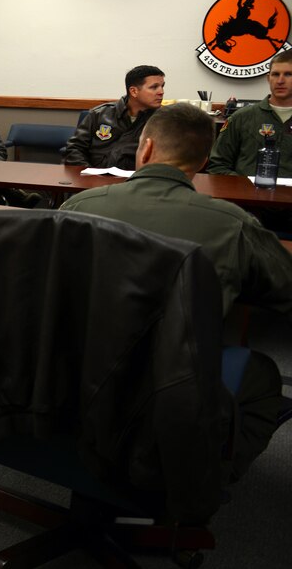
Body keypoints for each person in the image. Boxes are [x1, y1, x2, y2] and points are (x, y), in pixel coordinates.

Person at [60, 102, 286, 481]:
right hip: (169, 387)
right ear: (203, 162)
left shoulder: (78, 204)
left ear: (144, 149)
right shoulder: (234, 223)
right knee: (263, 374)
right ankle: (202, 478)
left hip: (71, 372)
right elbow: (284, 287)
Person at [63, 64, 164, 170]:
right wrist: (86, 172)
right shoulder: (99, 114)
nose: (161, 92)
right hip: (91, 179)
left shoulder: (163, 119)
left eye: (162, 86)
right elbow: (74, 148)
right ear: (134, 91)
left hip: (135, 182)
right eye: (154, 87)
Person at [209, 50, 292, 177]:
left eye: (288, 74)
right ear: (268, 78)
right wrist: (244, 186)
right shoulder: (241, 117)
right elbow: (217, 165)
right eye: (275, 74)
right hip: (247, 194)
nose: (280, 80)